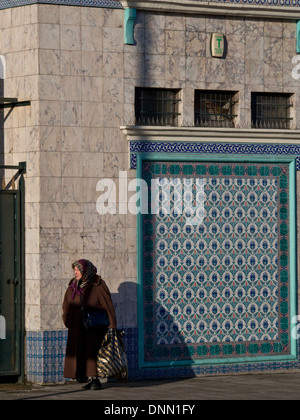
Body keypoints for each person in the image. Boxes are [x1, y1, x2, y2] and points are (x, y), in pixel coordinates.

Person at [62, 259, 117, 390]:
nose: (75, 272)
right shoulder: (73, 285)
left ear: (86, 270)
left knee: (92, 352)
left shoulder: (97, 284)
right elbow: (66, 304)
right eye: (74, 270)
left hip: (93, 326)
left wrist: (112, 325)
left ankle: (95, 380)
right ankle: (84, 376)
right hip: (76, 325)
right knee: (80, 351)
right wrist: (67, 320)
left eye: (78, 270)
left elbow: (108, 305)